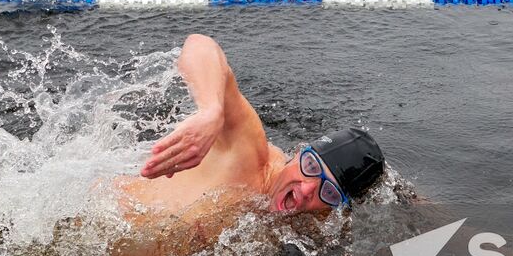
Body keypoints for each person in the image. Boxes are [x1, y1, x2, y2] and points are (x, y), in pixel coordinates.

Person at [123, 34, 385, 223]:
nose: (306, 189)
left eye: (328, 192)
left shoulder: (296, 229)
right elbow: (200, 46)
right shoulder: (248, 154)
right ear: (299, 153)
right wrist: (212, 111)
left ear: (335, 209)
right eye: (311, 167)